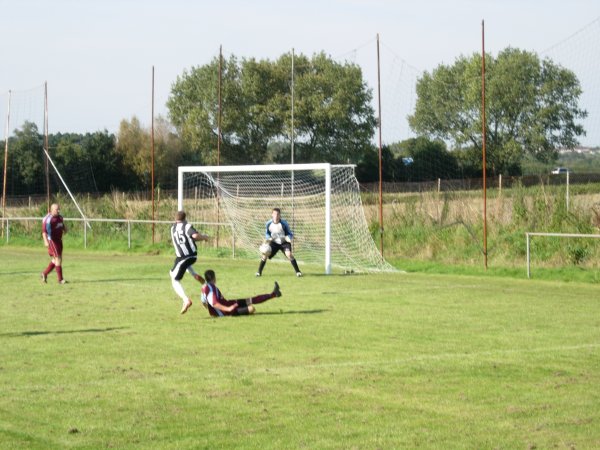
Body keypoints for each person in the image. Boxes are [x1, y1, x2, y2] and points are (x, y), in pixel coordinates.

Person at [169, 210, 209, 314]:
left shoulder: (172, 228)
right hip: (190, 256)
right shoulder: (186, 226)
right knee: (185, 268)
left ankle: (186, 300)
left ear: (175, 219)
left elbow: (193, 236)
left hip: (184, 257)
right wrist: (204, 237)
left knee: (174, 278)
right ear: (185, 218)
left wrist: (200, 236)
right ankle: (200, 280)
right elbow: (193, 236)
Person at [201, 269, 281, 317]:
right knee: (251, 308)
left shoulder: (204, 287)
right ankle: (273, 294)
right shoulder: (210, 288)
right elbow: (214, 303)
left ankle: (274, 294)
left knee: (250, 300)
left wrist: (211, 311)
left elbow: (204, 302)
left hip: (228, 304)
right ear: (214, 277)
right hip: (226, 312)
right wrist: (228, 309)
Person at [256, 207, 302, 277]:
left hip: (284, 242)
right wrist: (268, 238)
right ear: (272, 215)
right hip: (274, 243)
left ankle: (298, 272)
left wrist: (289, 238)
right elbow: (267, 233)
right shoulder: (268, 223)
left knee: (289, 254)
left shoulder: (284, 223)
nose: (276, 216)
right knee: (265, 254)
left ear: (280, 215)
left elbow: (290, 233)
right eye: (274, 214)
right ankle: (259, 272)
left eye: (277, 214)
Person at [41, 203, 68, 284]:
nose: (58, 210)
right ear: (51, 210)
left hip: (59, 240)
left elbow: (62, 224)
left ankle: (44, 273)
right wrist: (45, 241)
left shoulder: (60, 217)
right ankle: (60, 280)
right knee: (58, 259)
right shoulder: (48, 219)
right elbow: (44, 232)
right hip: (52, 241)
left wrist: (65, 229)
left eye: (59, 209)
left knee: (55, 260)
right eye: (57, 209)